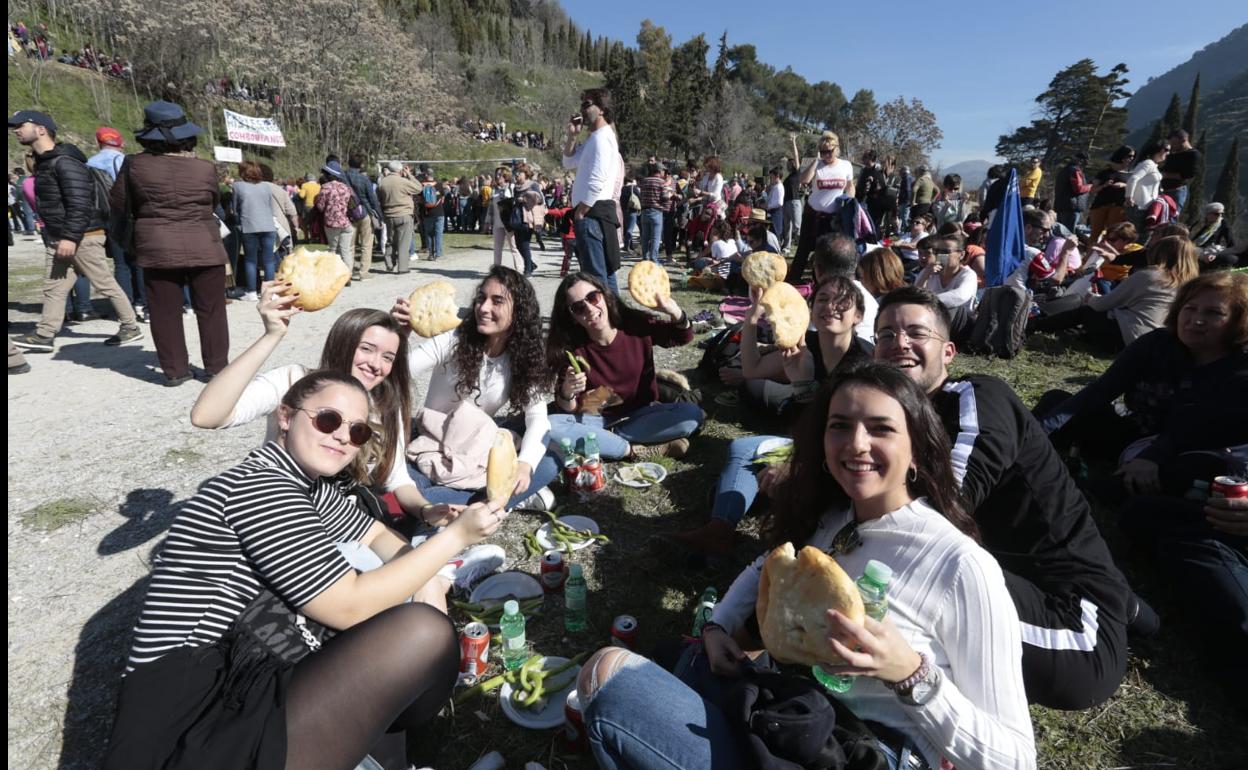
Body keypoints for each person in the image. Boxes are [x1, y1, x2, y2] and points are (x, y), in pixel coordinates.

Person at [580, 362, 1036, 770]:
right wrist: (718, 627)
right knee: (657, 664)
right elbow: (766, 567)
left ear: (917, 448)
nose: (857, 444)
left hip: (865, 752)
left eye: (880, 428)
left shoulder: (962, 566)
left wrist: (911, 674)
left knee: (606, 675)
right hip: (786, 716)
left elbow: (1016, 758)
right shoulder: (836, 517)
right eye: (840, 425)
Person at [105, 369, 505, 770]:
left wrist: (431, 581)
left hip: (243, 668)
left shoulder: (306, 485)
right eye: (328, 420)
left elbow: (375, 535)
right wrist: (454, 539)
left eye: (358, 431)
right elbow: (347, 606)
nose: (342, 437)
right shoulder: (259, 488)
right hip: (189, 717)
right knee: (420, 634)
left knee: (386, 650)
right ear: (285, 416)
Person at [872, 286, 1140, 710]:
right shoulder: (898, 421)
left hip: (1072, 628)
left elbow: (942, 510)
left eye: (915, 333)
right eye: (885, 335)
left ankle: (1122, 608)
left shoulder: (975, 396)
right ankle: (1134, 610)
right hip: (1028, 581)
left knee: (893, 584)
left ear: (949, 352)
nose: (898, 342)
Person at [664, 275, 874, 558]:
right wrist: (752, 318)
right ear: (810, 309)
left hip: (840, 461)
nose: (830, 306)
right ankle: (720, 530)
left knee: (755, 474)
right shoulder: (806, 344)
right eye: (822, 299)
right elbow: (752, 368)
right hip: (807, 444)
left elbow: (847, 438)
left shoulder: (862, 364)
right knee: (742, 448)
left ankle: (766, 504)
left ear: (858, 316)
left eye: (842, 302)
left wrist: (796, 465)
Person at [391, 266, 560, 510]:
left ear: (520, 311)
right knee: (407, 494)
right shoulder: (454, 340)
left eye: (497, 301)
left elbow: (538, 419)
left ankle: (473, 501)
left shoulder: (523, 357)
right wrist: (397, 337)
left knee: (551, 459)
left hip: (477, 448)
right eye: (481, 298)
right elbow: (395, 375)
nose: (483, 308)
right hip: (432, 444)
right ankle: (494, 501)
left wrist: (524, 465)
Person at [107, 104, 229, 386]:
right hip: (205, 244)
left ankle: (175, 370)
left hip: (157, 245)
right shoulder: (205, 168)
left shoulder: (134, 165)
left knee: (164, 311)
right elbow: (214, 204)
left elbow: (119, 205)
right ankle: (216, 367)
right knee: (211, 310)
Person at [8, 109, 142, 354]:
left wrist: (70, 237)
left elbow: (80, 203)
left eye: (20, 125)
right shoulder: (47, 162)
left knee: (104, 282)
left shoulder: (65, 162)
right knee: (55, 287)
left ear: (40, 129)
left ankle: (130, 325)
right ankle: (45, 333)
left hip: (82, 237)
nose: (16, 130)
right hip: (62, 237)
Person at [545, 272, 703, 460]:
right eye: (578, 307)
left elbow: (681, 336)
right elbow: (568, 408)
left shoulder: (634, 325)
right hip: (597, 419)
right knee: (550, 425)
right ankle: (633, 450)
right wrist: (567, 392)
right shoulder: (573, 350)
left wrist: (674, 311)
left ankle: (608, 442)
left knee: (692, 414)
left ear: (603, 295)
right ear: (573, 317)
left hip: (643, 412)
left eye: (592, 297)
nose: (589, 308)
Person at [1031, 235, 1198, 351]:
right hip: (1154, 342)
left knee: (1086, 310)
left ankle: (1034, 325)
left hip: (1129, 336)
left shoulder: (1150, 276)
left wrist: (1090, 298)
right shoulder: (1190, 284)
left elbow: (1104, 304)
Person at [562, 88, 622, 292]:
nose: (582, 110)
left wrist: (581, 211)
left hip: (593, 213)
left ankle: (609, 319)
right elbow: (568, 162)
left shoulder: (603, 138)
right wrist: (572, 136)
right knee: (604, 275)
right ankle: (615, 319)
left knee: (596, 278)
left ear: (602, 109)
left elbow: (599, 178)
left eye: (587, 105)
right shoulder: (594, 139)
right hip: (594, 213)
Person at [88, 125, 148, 323]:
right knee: (138, 261)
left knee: (120, 264)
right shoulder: (122, 160)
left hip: (105, 218)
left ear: (99, 142)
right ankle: (143, 302)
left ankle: (125, 305)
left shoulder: (89, 163)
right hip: (127, 216)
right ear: (119, 142)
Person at [787, 131, 854, 284]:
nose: (826, 155)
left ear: (836, 149)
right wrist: (816, 161)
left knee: (827, 252)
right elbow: (803, 180)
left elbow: (850, 186)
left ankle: (822, 283)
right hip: (813, 215)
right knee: (803, 250)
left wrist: (850, 202)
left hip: (832, 218)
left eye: (829, 151)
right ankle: (793, 281)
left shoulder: (846, 166)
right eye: (823, 152)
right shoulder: (818, 165)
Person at [913, 230, 976, 342]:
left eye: (946, 251)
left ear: (961, 254)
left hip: (960, 324)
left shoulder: (968, 275)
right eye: (937, 251)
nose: (941, 255)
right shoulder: (929, 271)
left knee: (951, 309)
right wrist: (925, 276)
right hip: (930, 318)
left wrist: (925, 302)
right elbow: (913, 294)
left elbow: (960, 296)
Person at [233, 160, 280, 301]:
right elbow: (269, 206)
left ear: (243, 173)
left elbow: (235, 209)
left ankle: (251, 292)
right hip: (268, 225)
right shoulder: (266, 186)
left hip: (249, 225)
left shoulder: (237, 186)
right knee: (269, 260)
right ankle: (270, 292)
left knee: (250, 260)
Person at [377, 162, 422, 274]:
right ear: (400, 170)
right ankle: (402, 267)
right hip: (404, 214)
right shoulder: (403, 182)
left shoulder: (382, 182)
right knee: (404, 242)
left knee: (391, 240)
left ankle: (389, 264)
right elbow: (419, 188)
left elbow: (379, 198)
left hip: (389, 215)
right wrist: (409, 175)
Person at [315, 160, 356, 275]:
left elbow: (320, 206)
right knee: (345, 250)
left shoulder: (325, 188)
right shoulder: (346, 187)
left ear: (329, 174)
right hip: (346, 222)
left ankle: (332, 274)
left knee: (333, 249)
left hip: (331, 223)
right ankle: (348, 275)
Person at [1087, 146, 1134, 245]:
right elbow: (1092, 190)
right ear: (1122, 156)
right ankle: (1088, 257)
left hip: (1118, 207)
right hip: (1100, 205)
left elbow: (1135, 189)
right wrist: (1104, 185)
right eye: (1129, 156)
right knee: (1095, 233)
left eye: (1133, 156)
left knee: (1113, 234)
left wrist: (1124, 185)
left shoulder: (1131, 175)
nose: (1131, 159)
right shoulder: (1104, 172)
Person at [345, 153, 381, 280]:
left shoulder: (342, 177)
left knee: (349, 245)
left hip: (348, 213)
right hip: (364, 212)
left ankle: (348, 271)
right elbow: (372, 199)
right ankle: (363, 272)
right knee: (366, 244)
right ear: (361, 165)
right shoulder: (364, 179)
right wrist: (378, 214)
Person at [1124, 141, 1169, 240]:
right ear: (1158, 151)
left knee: (1141, 237)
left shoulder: (1152, 165)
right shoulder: (1147, 164)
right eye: (1166, 150)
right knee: (1135, 237)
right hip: (1138, 206)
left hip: (1146, 207)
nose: (1168, 153)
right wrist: (1129, 197)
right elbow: (1133, 178)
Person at [511, 163, 546, 276]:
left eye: (519, 173)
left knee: (525, 244)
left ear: (525, 174)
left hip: (528, 218)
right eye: (515, 173)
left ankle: (528, 270)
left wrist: (526, 198)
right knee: (518, 244)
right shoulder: (516, 187)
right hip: (517, 218)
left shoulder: (533, 185)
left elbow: (540, 199)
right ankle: (531, 264)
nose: (516, 175)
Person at [1160, 129, 1201, 217]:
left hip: (1176, 191)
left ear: (1183, 140)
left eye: (1174, 143)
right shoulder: (1173, 153)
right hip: (1163, 189)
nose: (1172, 146)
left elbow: (1189, 174)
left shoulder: (1193, 155)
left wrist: (1165, 175)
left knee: (1170, 217)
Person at [638, 161, 671, 263]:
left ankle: (645, 257)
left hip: (644, 211)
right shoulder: (661, 182)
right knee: (655, 237)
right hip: (656, 211)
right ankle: (653, 258)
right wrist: (670, 194)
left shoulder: (643, 181)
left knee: (645, 237)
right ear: (660, 171)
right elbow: (665, 198)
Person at [1054, 152, 1092, 232]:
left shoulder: (1063, 171)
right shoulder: (1075, 171)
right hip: (1071, 207)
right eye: (1086, 162)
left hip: (1061, 206)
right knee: (1068, 233)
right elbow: (1078, 188)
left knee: (1060, 232)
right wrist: (1090, 186)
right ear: (1081, 161)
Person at [418, 171, 445, 262]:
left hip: (427, 213)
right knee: (438, 233)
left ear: (426, 175)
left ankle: (431, 254)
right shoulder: (439, 185)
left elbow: (420, 199)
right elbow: (443, 197)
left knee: (429, 234)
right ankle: (438, 253)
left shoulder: (422, 185)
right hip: (439, 212)